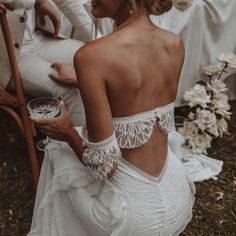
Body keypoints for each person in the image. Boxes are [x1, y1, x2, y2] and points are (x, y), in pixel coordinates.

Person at [28, 0, 195, 235]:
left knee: (58, 149)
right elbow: (141, 92)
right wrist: (82, 80)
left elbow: (103, 165)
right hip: (177, 196)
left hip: (127, 218)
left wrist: (66, 132)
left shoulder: (92, 56)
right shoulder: (174, 43)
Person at [0, 0, 89, 125]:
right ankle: (80, 143)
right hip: (7, 55)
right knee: (69, 90)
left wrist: (102, 42)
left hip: (36, 37)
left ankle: (111, 135)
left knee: (93, 60)